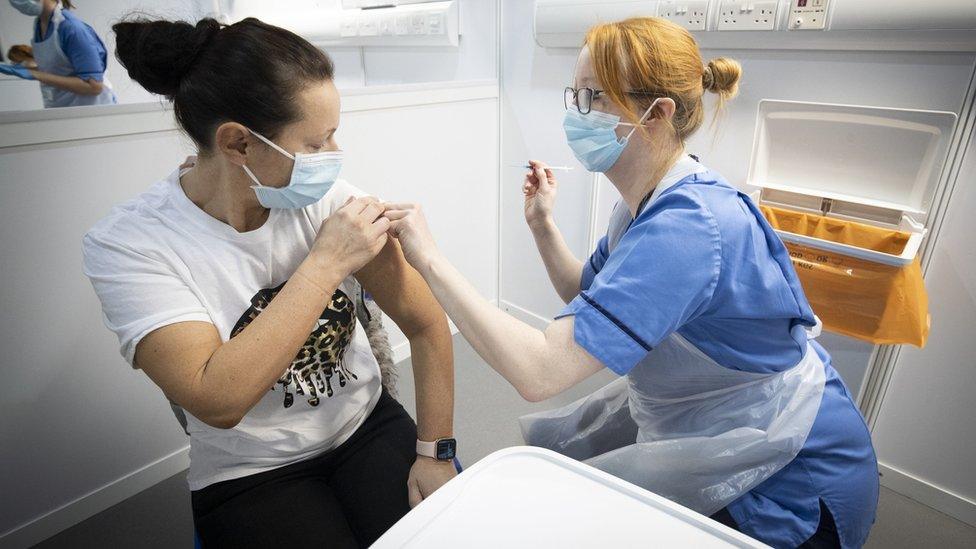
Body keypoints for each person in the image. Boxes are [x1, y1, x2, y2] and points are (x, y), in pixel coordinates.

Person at [382, 17, 878, 549]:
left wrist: (428, 259)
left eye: (594, 98)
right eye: (576, 94)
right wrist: (543, 225)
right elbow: (584, 296)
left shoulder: (687, 227)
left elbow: (541, 370)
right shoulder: (646, 201)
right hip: (717, 425)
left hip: (789, 473)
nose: (576, 114)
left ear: (656, 114)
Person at [82, 16, 456, 548]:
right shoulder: (129, 246)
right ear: (237, 143)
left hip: (365, 426)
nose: (333, 156)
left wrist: (435, 448)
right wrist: (325, 264)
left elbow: (424, 323)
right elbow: (218, 399)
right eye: (316, 141)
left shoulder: (325, 199)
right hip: (250, 472)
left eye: (334, 134)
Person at [3, 0, 116, 107]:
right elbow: (61, 70)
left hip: (92, 112)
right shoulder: (39, 25)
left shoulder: (72, 29)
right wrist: (30, 69)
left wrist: (37, 75)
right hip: (62, 109)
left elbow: (94, 86)